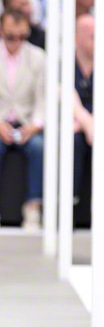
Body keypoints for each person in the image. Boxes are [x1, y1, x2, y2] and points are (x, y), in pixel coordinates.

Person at [0, 9, 45, 228]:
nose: (17, 41)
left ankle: (33, 206)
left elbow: (43, 97)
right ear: (0, 32)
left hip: (27, 123)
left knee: (39, 147)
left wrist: (35, 125)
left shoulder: (39, 56)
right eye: (11, 36)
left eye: (22, 36)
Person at [73, 14, 94, 202]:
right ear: (76, 38)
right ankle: (70, 198)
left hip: (94, 126)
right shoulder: (65, 65)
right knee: (72, 140)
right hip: (74, 127)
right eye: (92, 37)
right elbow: (63, 95)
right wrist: (87, 123)